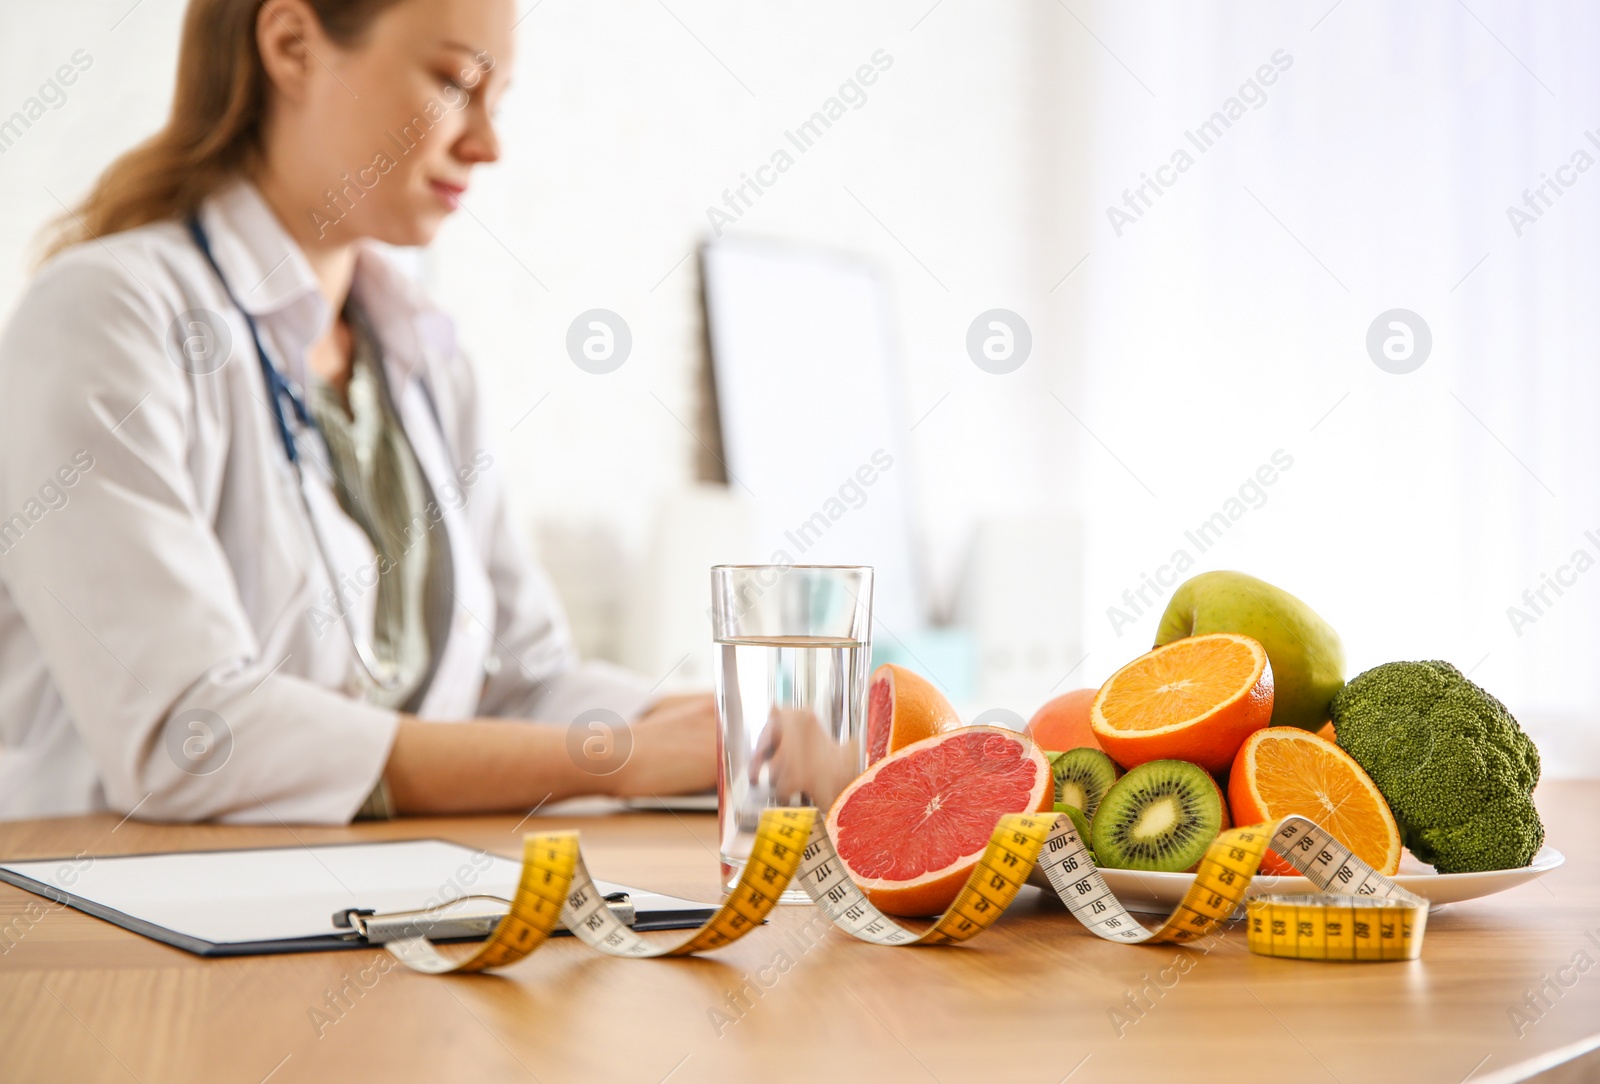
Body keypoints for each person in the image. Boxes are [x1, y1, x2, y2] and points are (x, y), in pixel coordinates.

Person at [0, 0, 716, 823]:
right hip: (122, 922)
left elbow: (524, 685)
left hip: (373, 904)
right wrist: (615, 758)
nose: (487, 144)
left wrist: (712, 727)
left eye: (499, 101)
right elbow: (190, 736)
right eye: (454, 82)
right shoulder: (107, 315)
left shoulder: (430, 361)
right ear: (292, 45)